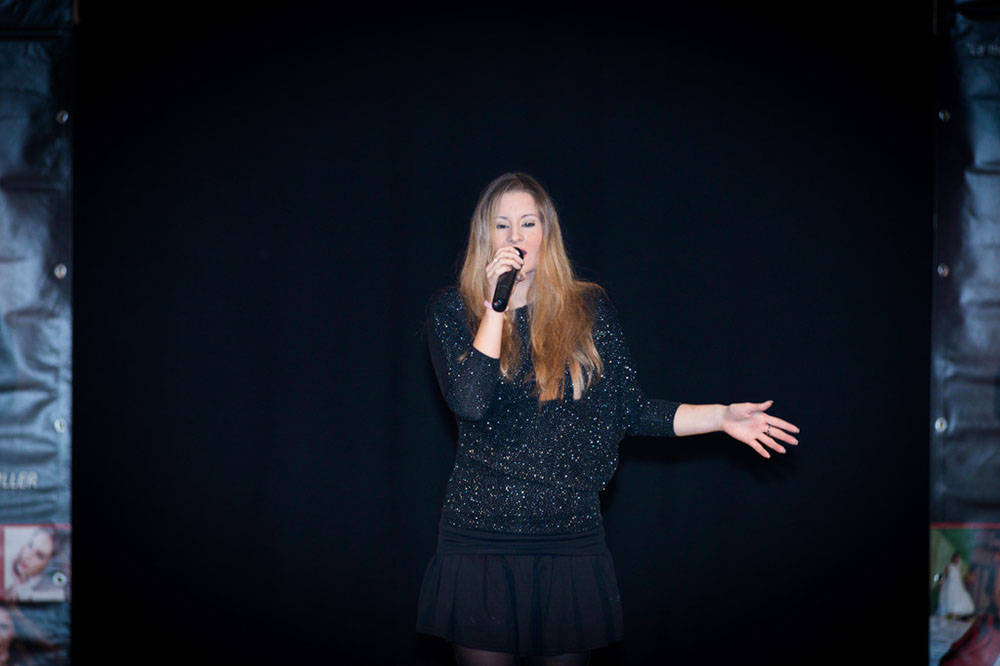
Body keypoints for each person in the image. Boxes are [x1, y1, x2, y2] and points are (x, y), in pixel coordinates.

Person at [416, 173, 800, 665]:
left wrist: (721, 417)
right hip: (481, 541)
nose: (515, 237)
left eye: (528, 223)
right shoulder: (453, 310)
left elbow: (629, 410)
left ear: (547, 233)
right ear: (484, 237)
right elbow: (469, 402)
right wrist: (496, 308)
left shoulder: (586, 310)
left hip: (569, 539)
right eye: (501, 225)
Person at [939, 552, 976, 619]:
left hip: (958, 586)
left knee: (962, 599)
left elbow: (960, 579)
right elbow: (944, 576)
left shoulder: (958, 568)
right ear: (953, 558)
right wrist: (941, 583)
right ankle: (950, 614)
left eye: (958, 558)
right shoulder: (949, 566)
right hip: (950, 586)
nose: (958, 560)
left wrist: (963, 587)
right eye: (957, 558)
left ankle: (956, 615)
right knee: (951, 600)